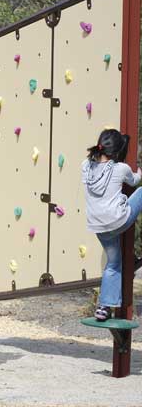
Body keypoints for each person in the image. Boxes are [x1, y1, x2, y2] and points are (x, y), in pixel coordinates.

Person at [82, 128, 141, 321]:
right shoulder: (121, 168)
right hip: (118, 220)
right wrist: (139, 172)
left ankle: (104, 308)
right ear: (117, 151)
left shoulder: (86, 166)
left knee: (113, 264)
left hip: (99, 227)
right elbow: (135, 181)